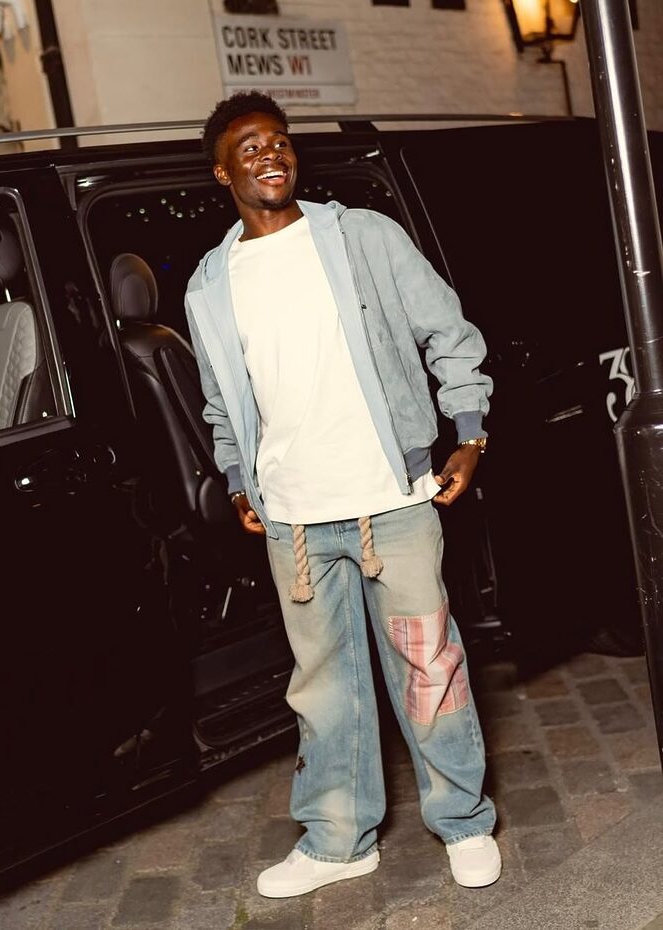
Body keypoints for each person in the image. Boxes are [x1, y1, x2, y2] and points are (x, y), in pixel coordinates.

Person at [185, 91, 500, 899]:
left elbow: (447, 332)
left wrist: (468, 433)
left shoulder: (362, 235)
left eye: (279, 140)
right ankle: (337, 841)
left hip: (390, 500)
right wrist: (238, 478)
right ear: (222, 172)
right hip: (292, 522)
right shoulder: (210, 283)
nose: (269, 153)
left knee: (428, 664)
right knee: (322, 689)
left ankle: (462, 820)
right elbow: (222, 403)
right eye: (248, 146)